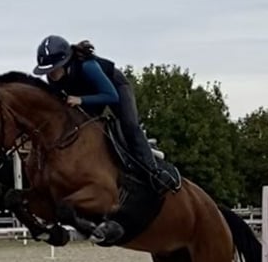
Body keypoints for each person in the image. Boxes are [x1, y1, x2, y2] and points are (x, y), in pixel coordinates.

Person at [32, 34, 180, 193]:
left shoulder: (87, 66)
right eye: (48, 71)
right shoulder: (53, 78)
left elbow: (111, 96)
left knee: (129, 124)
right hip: (87, 92)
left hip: (114, 88)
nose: (51, 74)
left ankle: (154, 171)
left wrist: (81, 100)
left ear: (65, 62)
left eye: (54, 69)